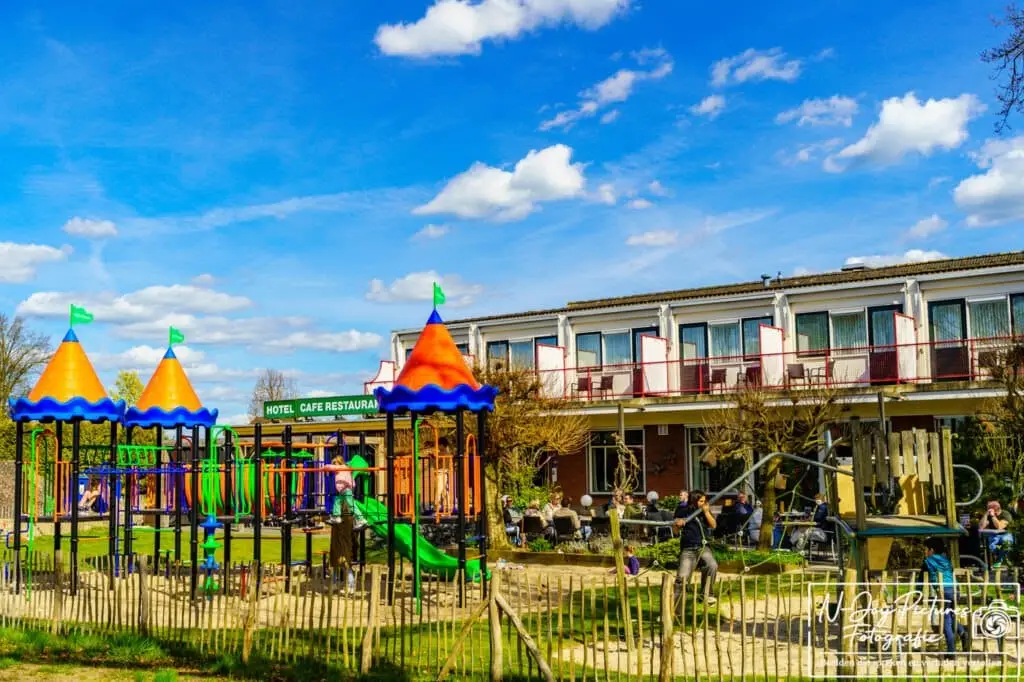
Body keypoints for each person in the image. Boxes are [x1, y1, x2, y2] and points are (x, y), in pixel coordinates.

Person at [920, 537, 969, 656]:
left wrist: (918, 592)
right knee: (951, 616)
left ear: (931, 550)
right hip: (955, 590)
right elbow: (950, 571)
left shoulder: (928, 561)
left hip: (944, 591)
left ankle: (951, 650)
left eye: (926, 549)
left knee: (946, 619)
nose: (925, 552)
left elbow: (921, 578)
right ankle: (963, 633)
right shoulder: (946, 560)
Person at [673, 490, 718, 605]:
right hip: (688, 548)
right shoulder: (682, 510)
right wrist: (677, 524)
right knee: (682, 578)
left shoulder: (704, 510)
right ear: (694, 500)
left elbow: (713, 525)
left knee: (712, 565)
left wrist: (706, 512)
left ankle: (706, 595)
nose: (704, 503)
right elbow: (675, 531)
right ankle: (677, 606)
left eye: (704, 501)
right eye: (701, 501)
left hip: (702, 546)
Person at [979, 500, 1014, 567]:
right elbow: (981, 526)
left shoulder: (1005, 514)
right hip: (994, 535)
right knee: (992, 547)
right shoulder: (988, 515)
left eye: (989, 508)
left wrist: (993, 516)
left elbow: (999, 526)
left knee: (1006, 543)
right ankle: (1002, 556)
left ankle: (999, 560)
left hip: (1006, 534)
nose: (988, 510)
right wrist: (985, 515)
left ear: (996, 509)